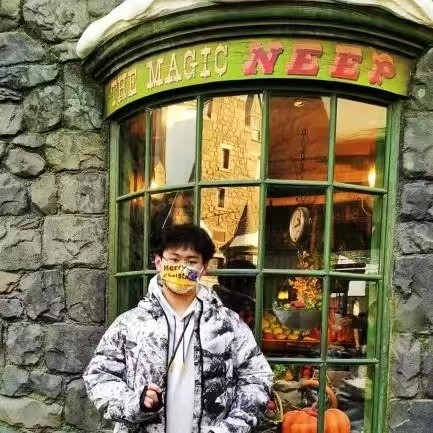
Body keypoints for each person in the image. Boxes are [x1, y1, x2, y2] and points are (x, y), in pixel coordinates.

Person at [83, 224, 273, 433]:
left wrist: (232, 427)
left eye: (191, 261)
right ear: (159, 262)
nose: (182, 268)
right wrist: (135, 403)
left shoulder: (228, 325)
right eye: (174, 260)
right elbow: (98, 376)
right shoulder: (130, 324)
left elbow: (257, 377)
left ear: (203, 268)